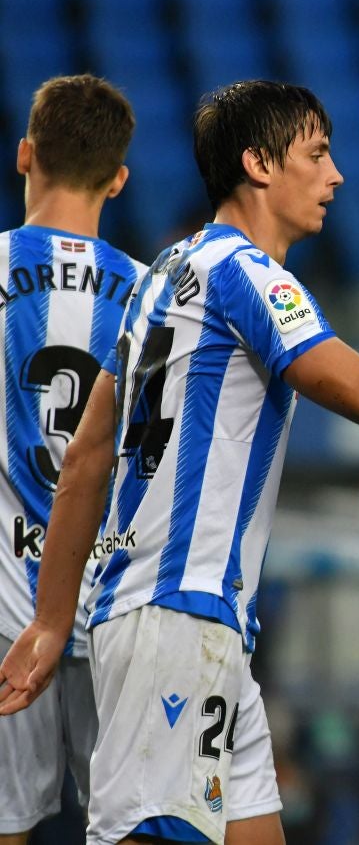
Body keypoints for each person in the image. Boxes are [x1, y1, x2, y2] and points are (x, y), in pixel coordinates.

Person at [0, 79, 359, 845]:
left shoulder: (161, 276)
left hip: (196, 621)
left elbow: (84, 461)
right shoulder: (249, 276)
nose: (336, 175)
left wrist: (50, 621)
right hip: (177, 615)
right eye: (317, 153)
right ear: (259, 165)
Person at [0, 74, 141, 845]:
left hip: (2, 613)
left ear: (25, 155)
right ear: (118, 179)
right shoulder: (156, 295)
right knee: (126, 828)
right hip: (116, 614)